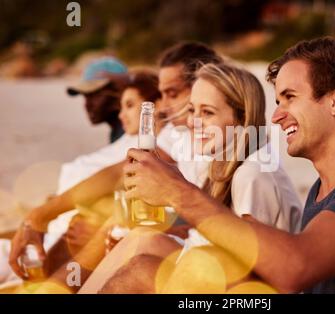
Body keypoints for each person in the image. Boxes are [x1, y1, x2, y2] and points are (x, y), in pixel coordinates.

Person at [99, 37, 335, 294]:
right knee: (153, 258)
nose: (276, 115)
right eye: (277, 101)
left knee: (148, 273)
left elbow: (297, 266)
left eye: (290, 97)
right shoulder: (322, 190)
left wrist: (176, 191)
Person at [7, 42, 224, 291]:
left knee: (111, 223)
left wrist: (42, 215)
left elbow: (122, 173)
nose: (162, 105)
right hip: (174, 240)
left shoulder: (214, 144)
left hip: (192, 255)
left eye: (172, 94)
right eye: (161, 94)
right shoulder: (179, 133)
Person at [79, 63, 302, 294]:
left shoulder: (253, 174)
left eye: (207, 112)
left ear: (242, 118)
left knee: (138, 269)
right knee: (142, 239)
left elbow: (250, 269)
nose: (192, 122)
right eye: (192, 110)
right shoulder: (222, 165)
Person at [6, 70, 161, 286]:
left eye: (95, 95)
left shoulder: (152, 144)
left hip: (59, 243)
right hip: (51, 237)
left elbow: (119, 178)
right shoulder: (126, 136)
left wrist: (40, 217)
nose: (87, 103)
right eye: (85, 97)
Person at [67, 57, 128, 143]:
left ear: (120, 91)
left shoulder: (129, 135)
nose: (87, 105)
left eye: (94, 96)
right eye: (85, 97)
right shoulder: (118, 132)